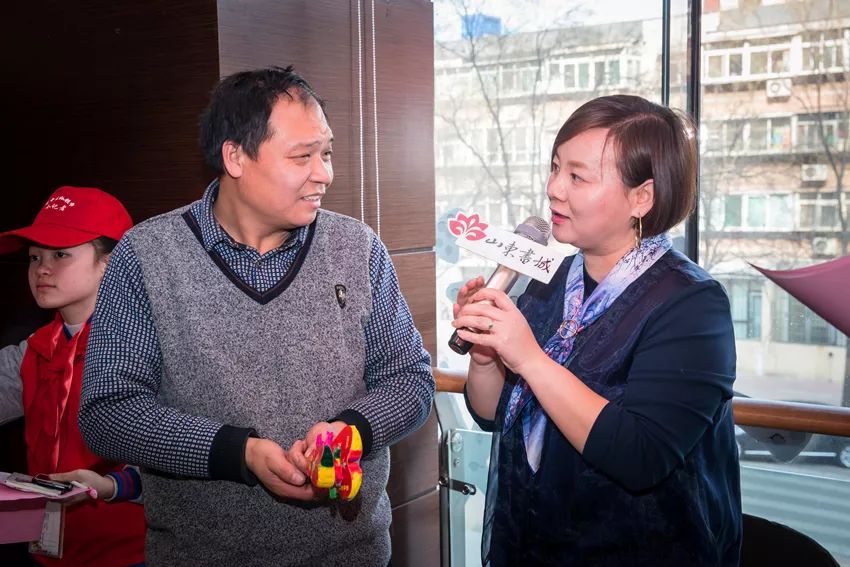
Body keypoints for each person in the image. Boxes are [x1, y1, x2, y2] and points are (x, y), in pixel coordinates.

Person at [78, 65, 434, 566]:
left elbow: (409, 379)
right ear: (236, 157)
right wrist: (237, 453)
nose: (325, 173)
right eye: (302, 156)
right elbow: (109, 413)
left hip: (352, 553)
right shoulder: (147, 257)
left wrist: (350, 431)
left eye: (326, 153)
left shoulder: (356, 248)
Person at [452, 95, 741, 565]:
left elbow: (640, 456)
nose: (553, 189)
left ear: (641, 197)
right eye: (554, 168)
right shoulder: (550, 282)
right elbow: (491, 413)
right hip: (531, 542)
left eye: (577, 176)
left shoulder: (690, 304)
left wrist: (529, 358)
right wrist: (485, 355)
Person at [0, 186, 146, 567]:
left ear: (111, 263)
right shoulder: (35, 348)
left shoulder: (142, 348)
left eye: (60, 254)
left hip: (125, 555)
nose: (41, 269)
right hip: (41, 549)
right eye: (35, 257)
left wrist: (114, 486)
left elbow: (177, 457)